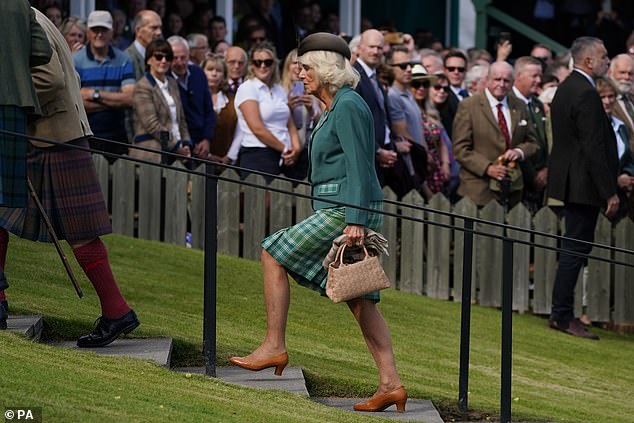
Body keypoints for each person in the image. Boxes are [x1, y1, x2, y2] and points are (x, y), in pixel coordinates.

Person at [229, 32, 407, 413]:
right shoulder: (330, 106)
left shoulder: (347, 105)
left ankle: (274, 346)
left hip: (345, 210)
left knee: (271, 251)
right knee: (359, 299)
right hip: (341, 207)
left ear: (326, 69)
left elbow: (362, 163)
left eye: (306, 67)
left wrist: (356, 221)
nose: (299, 74)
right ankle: (391, 385)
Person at [0, 8, 140, 345]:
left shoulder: (18, 18)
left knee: (80, 232)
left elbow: (50, 79)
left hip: (51, 136)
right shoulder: (26, 15)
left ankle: (117, 311)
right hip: (51, 133)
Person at [548, 37, 619, 340]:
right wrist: (609, 191)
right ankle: (562, 315)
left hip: (569, 182)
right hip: (582, 186)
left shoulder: (566, 88)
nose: (608, 61)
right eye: (604, 56)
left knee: (572, 248)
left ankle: (561, 312)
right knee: (575, 249)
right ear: (589, 60)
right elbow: (592, 147)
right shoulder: (586, 93)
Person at [453, 61, 538, 207]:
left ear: (513, 82)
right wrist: (487, 168)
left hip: (512, 191)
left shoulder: (519, 106)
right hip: (478, 192)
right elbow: (460, 149)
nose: (502, 84)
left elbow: (533, 142)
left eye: (506, 80)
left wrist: (519, 151)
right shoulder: (468, 106)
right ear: (487, 80)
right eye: (497, 79)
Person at [234, 42, 302, 181]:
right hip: (258, 154)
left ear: (275, 64)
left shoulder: (279, 89)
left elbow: (290, 124)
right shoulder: (247, 88)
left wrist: (296, 149)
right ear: (252, 65)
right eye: (258, 62)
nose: (263, 66)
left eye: (268, 62)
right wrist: (285, 149)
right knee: (263, 201)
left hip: (285, 156)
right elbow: (257, 128)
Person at [73, 10, 135, 161]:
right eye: (95, 30)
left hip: (117, 136)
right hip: (86, 134)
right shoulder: (75, 60)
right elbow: (76, 102)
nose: (99, 34)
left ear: (112, 32)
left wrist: (94, 94)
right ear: (88, 32)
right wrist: (115, 102)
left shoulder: (123, 59)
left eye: (104, 30)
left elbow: (130, 99)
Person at [131, 39, 191, 164]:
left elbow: (181, 119)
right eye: (158, 56)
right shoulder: (142, 86)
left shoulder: (173, 83)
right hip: (151, 153)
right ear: (148, 60)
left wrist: (186, 143)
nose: (163, 61)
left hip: (177, 153)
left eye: (168, 57)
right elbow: (152, 125)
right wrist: (176, 146)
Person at [167, 36, 216, 163]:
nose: (180, 62)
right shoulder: (164, 80)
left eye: (183, 57)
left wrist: (206, 139)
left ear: (189, 56)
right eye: (175, 58)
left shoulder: (198, 73)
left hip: (201, 145)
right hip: (177, 146)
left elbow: (209, 110)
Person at [511, 56, 549, 212]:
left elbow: (545, 140)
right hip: (520, 178)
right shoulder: (509, 102)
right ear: (519, 76)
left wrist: (547, 169)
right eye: (534, 76)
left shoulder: (537, 104)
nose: (539, 80)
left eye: (540, 76)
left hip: (542, 178)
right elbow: (515, 141)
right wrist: (533, 175)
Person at [410, 66, 451, 198]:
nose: (421, 88)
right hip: (420, 170)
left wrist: (446, 164)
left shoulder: (431, 110)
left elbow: (442, 142)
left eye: (425, 84)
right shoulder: (407, 111)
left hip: (437, 171)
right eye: (416, 84)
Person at [597, 78, 634, 219]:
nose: (607, 101)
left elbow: (628, 158)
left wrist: (626, 174)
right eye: (602, 97)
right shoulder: (589, 127)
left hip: (620, 196)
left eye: (611, 96)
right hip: (597, 194)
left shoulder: (620, 126)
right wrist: (615, 179)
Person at [281, 49, 321, 179]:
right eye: (294, 63)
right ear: (287, 66)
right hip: (288, 149)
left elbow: (323, 122)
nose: (298, 68)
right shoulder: (279, 90)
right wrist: (289, 109)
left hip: (309, 150)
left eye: (302, 64)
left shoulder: (315, 91)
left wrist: (311, 110)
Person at [201, 56, 237, 165]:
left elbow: (240, 131)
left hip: (226, 162)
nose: (214, 74)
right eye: (210, 70)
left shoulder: (232, 100)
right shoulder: (195, 98)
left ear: (224, 75)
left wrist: (229, 157)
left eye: (219, 71)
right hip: (199, 158)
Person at [125, 10, 163, 81]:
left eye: (160, 28)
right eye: (154, 28)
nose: (159, 32)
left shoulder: (163, 56)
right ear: (138, 30)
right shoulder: (127, 59)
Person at [607, 54, 634, 143]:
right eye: (622, 72)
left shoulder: (631, 99)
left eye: (630, 74)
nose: (626, 77)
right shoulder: (605, 101)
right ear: (610, 73)